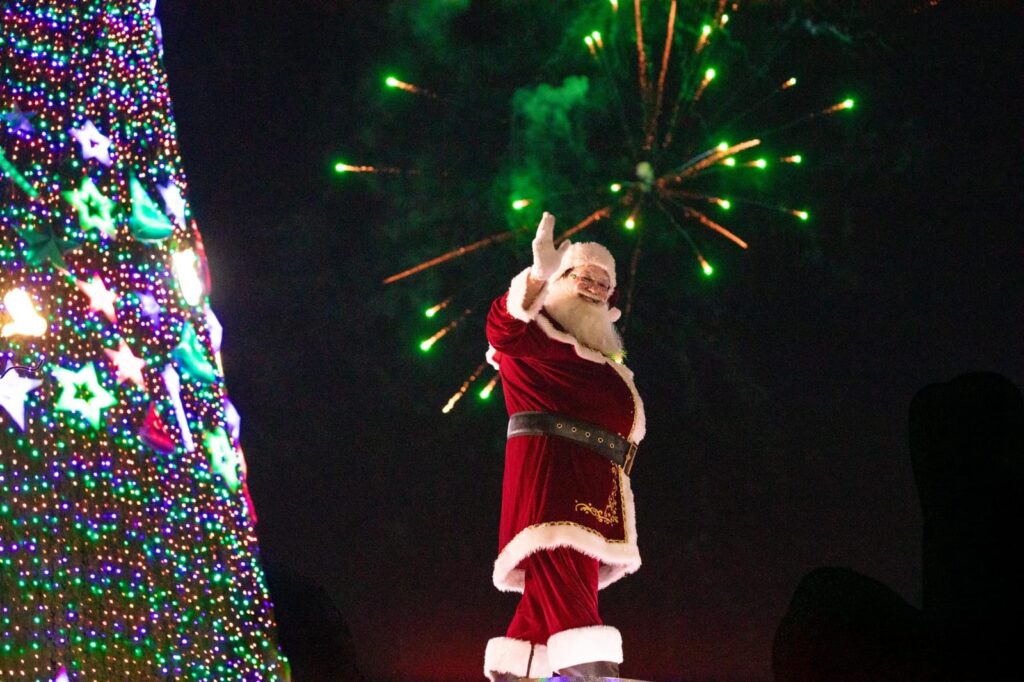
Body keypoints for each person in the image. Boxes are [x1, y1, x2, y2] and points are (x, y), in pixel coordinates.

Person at [483, 212, 645, 680]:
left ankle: (520, 672)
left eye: (604, 282)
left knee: (542, 607)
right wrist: (537, 276)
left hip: (589, 492)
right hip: (555, 494)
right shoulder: (534, 336)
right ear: (562, 277)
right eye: (584, 276)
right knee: (570, 596)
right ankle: (594, 676)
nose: (594, 287)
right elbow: (502, 328)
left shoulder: (593, 349)